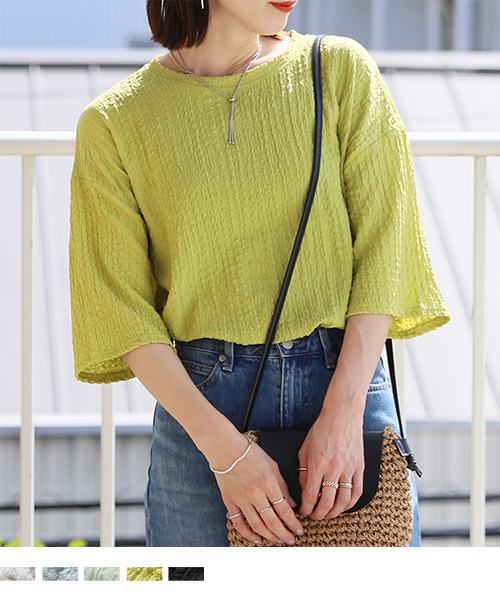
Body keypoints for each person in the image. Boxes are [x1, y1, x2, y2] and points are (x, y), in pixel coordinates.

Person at [69, 0, 450, 547]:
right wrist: (225, 453)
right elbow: (119, 307)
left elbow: (387, 246)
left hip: (345, 381)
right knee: (197, 582)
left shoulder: (338, 70)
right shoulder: (115, 122)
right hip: (202, 409)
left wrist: (343, 416)